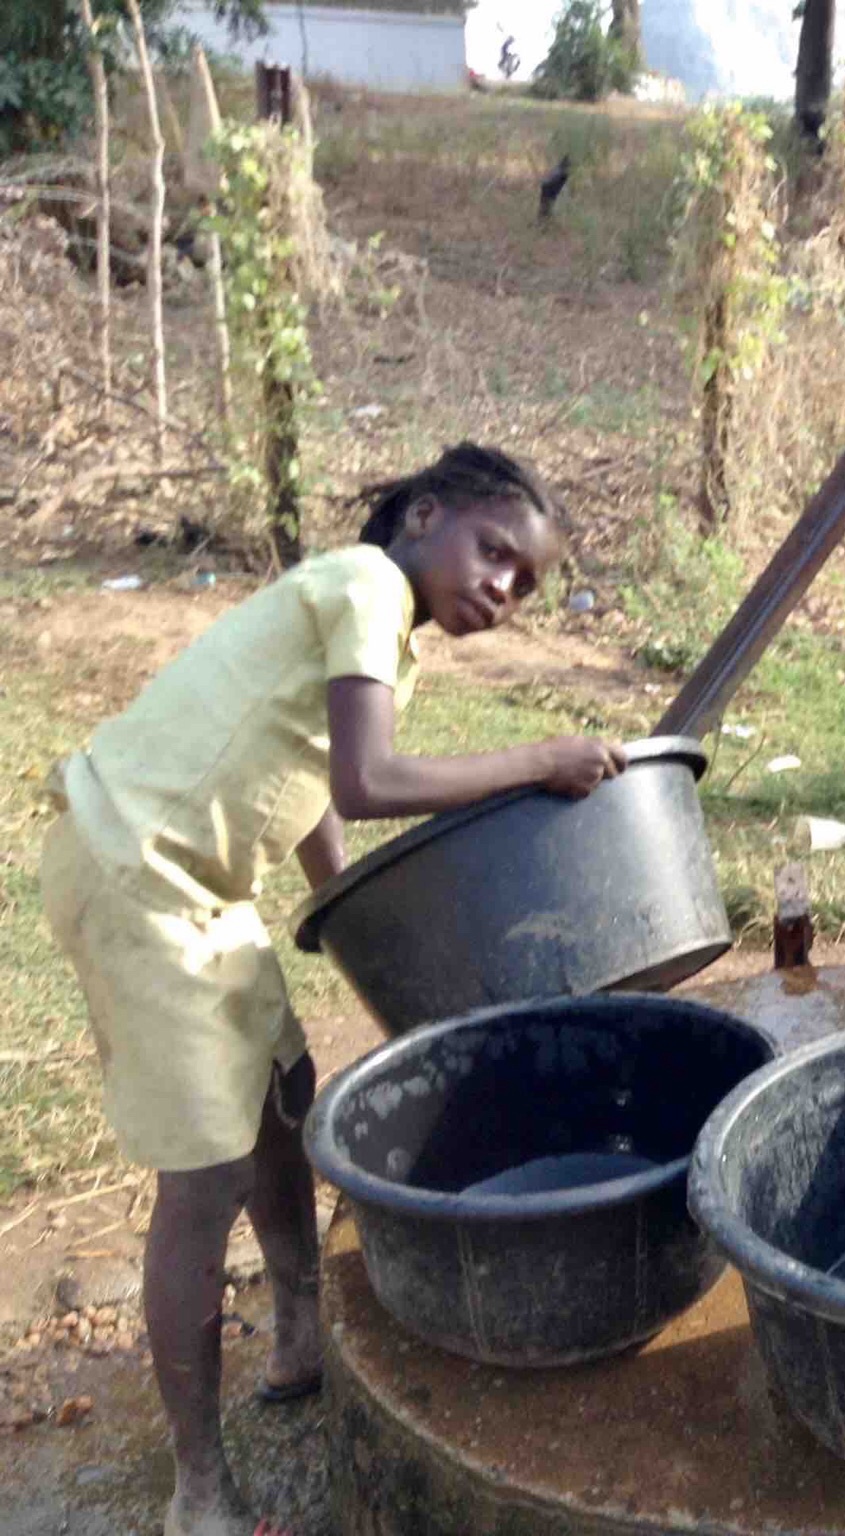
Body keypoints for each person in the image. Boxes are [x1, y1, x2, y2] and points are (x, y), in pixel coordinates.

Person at [40, 443, 626, 1536]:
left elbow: (314, 781)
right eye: (494, 552)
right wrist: (538, 757)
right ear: (423, 515)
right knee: (203, 1184)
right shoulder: (362, 584)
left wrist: (349, 907)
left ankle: (301, 1327)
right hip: (136, 873)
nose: (502, 587)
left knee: (287, 1093)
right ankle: (199, 1485)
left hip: (201, 885)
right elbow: (368, 777)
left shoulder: (382, 634)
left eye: (525, 582)